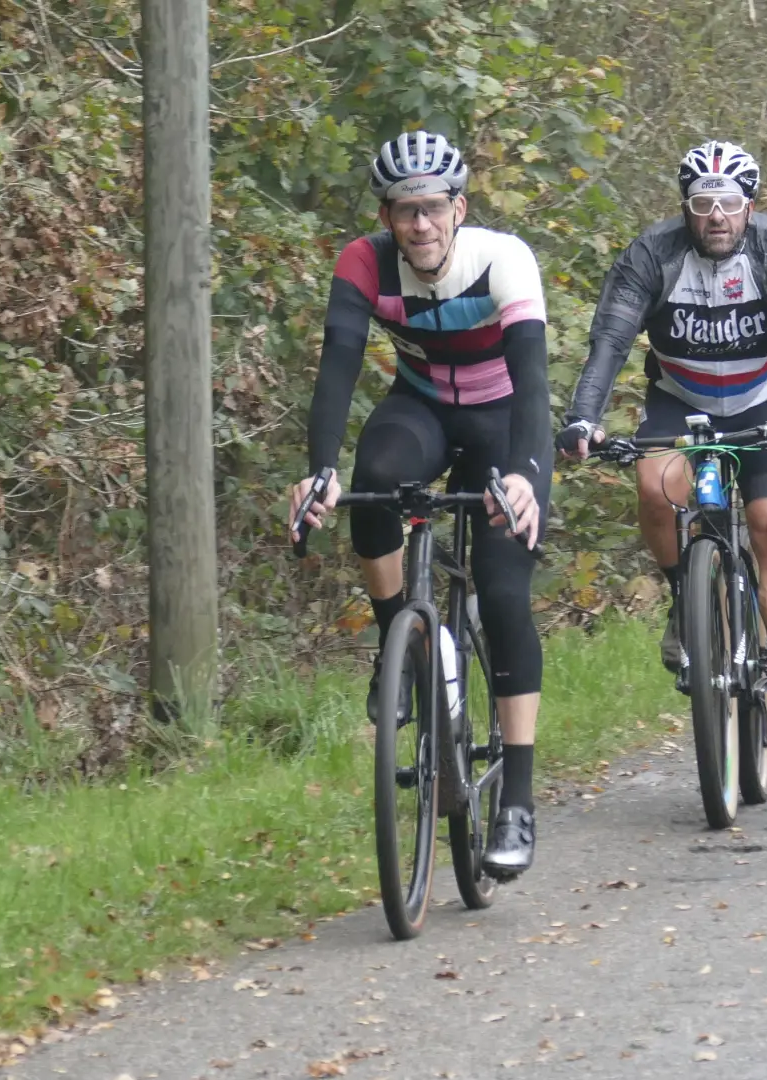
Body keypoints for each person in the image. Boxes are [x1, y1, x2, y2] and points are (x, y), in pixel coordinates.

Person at [290, 131, 550, 879]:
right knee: (372, 478)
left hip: (504, 424)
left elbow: (533, 383)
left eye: (434, 209)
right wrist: (318, 472)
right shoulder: (363, 262)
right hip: (424, 410)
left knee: (503, 594)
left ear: (458, 208)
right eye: (406, 212)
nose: (421, 226)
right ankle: (398, 647)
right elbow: (337, 367)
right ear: (388, 216)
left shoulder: (503, 258)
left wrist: (528, 474)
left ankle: (518, 801)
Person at [556, 141, 767, 742]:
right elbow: (609, 343)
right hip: (679, 402)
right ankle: (686, 602)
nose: (717, 215)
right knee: (655, 488)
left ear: (751, 206)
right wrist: (583, 418)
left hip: (762, 401)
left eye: (730, 203)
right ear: (685, 209)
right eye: (703, 202)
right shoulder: (652, 255)